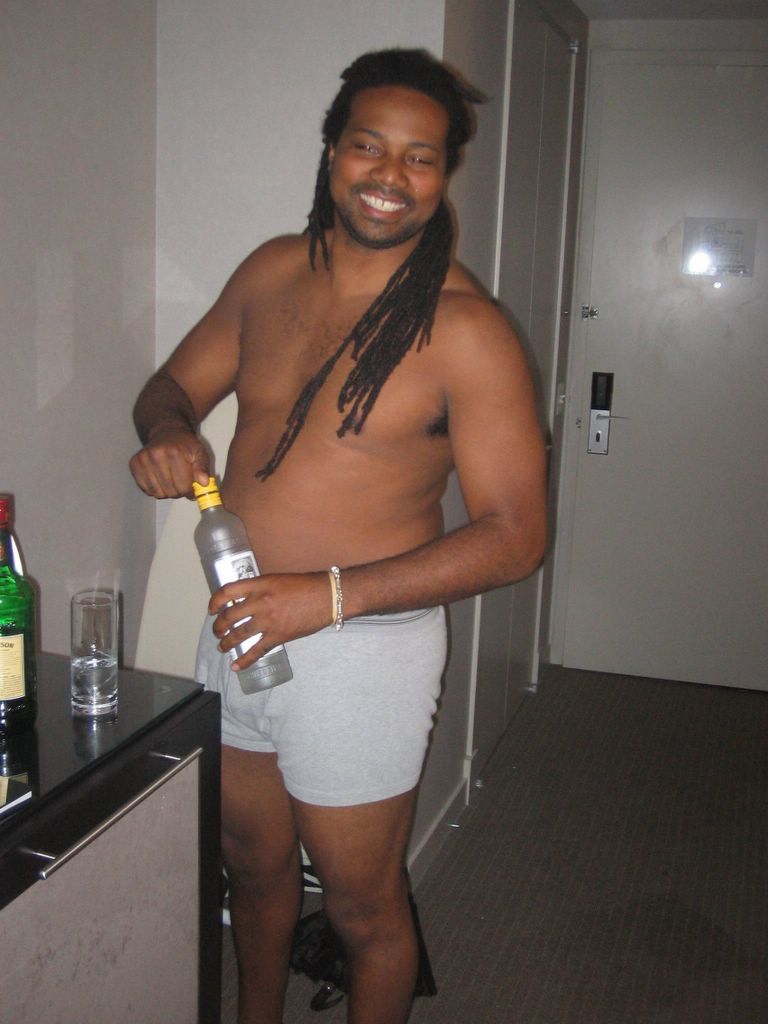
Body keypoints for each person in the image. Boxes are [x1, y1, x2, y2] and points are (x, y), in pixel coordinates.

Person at [130, 48, 546, 1024]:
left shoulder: (468, 330)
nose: (390, 176)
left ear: (444, 174)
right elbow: (171, 385)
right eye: (369, 146)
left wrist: (321, 598)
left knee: (362, 905)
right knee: (250, 864)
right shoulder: (272, 270)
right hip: (238, 617)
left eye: (420, 158)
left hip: (362, 647)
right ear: (332, 152)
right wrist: (168, 430)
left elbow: (517, 536)